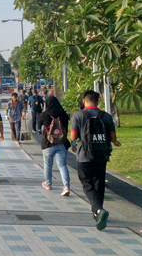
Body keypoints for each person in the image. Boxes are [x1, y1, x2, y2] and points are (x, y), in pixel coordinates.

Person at [70, 90, 121, 230]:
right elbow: (112, 137)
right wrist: (116, 142)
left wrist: (73, 146)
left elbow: (73, 137)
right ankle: (98, 212)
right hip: (101, 155)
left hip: (84, 156)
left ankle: (99, 210)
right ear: (98, 101)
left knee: (87, 184)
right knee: (99, 183)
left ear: (83, 101)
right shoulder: (106, 116)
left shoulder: (78, 115)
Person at [37, 95, 71, 196]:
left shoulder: (44, 114)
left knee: (48, 165)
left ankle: (48, 184)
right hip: (61, 143)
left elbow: (38, 125)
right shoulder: (64, 114)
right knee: (62, 165)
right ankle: (66, 187)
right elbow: (66, 129)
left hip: (48, 143)